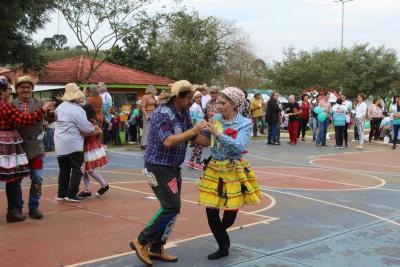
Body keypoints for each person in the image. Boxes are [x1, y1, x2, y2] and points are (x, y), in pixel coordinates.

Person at [129, 80, 210, 266]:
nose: (192, 101)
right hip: (158, 166)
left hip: (173, 167)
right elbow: (168, 141)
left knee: (172, 208)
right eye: (189, 98)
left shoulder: (185, 113)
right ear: (177, 97)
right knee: (171, 206)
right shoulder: (161, 114)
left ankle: (157, 247)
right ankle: (141, 241)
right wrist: (194, 131)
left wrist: (211, 132)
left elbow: (196, 138)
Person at [198, 87, 262, 260]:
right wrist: (193, 131)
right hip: (214, 169)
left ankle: (222, 236)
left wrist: (218, 134)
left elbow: (239, 146)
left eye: (223, 103)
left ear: (235, 104)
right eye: (218, 102)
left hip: (233, 170)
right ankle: (223, 245)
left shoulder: (245, 123)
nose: (219, 106)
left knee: (229, 214)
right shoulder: (216, 118)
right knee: (211, 211)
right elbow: (205, 139)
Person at [0, 76, 53, 223]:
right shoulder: (9, 104)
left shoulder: (41, 103)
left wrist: (51, 113)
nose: (25, 90)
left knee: (37, 178)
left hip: (35, 149)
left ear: (32, 89)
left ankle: (34, 206)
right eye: (22, 87)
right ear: (16, 90)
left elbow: (52, 119)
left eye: (28, 87)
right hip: (16, 150)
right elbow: (24, 120)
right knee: (15, 180)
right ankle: (17, 208)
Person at [54, 83, 98, 202]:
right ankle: (72, 194)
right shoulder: (77, 110)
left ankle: (61, 193)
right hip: (73, 144)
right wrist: (93, 126)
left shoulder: (59, 107)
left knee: (64, 170)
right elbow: (86, 128)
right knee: (77, 169)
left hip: (59, 143)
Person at [78, 104, 109, 198]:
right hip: (87, 147)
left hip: (90, 147)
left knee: (89, 170)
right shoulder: (87, 121)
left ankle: (104, 185)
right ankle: (87, 190)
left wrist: (87, 134)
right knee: (85, 170)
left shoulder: (91, 121)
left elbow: (99, 131)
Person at [188, 91, 205, 170]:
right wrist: (194, 130)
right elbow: (193, 119)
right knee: (200, 146)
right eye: (197, 97)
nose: (199, 98)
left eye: (200, 97)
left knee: (196, 146)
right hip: (198, 128)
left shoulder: (198, 106)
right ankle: (197, 163)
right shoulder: (195, 106)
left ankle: (191, 161)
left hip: (200, 127)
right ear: (194, 98)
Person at [141, 85, 158, 149]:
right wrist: (146, 115)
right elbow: (143, 107)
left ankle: (150, 142)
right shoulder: (145, 97)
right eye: (154, 90)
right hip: (148, 113)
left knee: (152, 128)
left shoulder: (153, 97)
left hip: (153, 113)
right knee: (147, 128)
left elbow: (157, 104)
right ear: (150, 90)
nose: (155, 91)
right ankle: (144, 143)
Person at [98, 82, 113, 149]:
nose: (98, 87)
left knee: (105, 130)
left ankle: (105, 145)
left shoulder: (107, 95)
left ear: (103, 87)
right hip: (99, 115)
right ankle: (99, 144)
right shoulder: (98, 95)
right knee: (99, 129)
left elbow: (109, 106)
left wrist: (106, 114)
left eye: (99, 86)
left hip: (105, 115)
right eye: (97, 86)